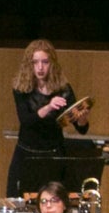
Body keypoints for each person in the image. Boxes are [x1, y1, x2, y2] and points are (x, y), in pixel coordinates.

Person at [7, 40, 90, 194]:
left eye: (45, 62)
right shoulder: (21, 89)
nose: (40, 67)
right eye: (35, 62)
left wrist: (82, 119)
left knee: (54, 201)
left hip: (54, 155)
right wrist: (48, 107)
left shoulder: (63, 89)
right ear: (29, 65)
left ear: (52, 64)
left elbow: (81, 128)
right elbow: (26, 121)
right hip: (27, 156)